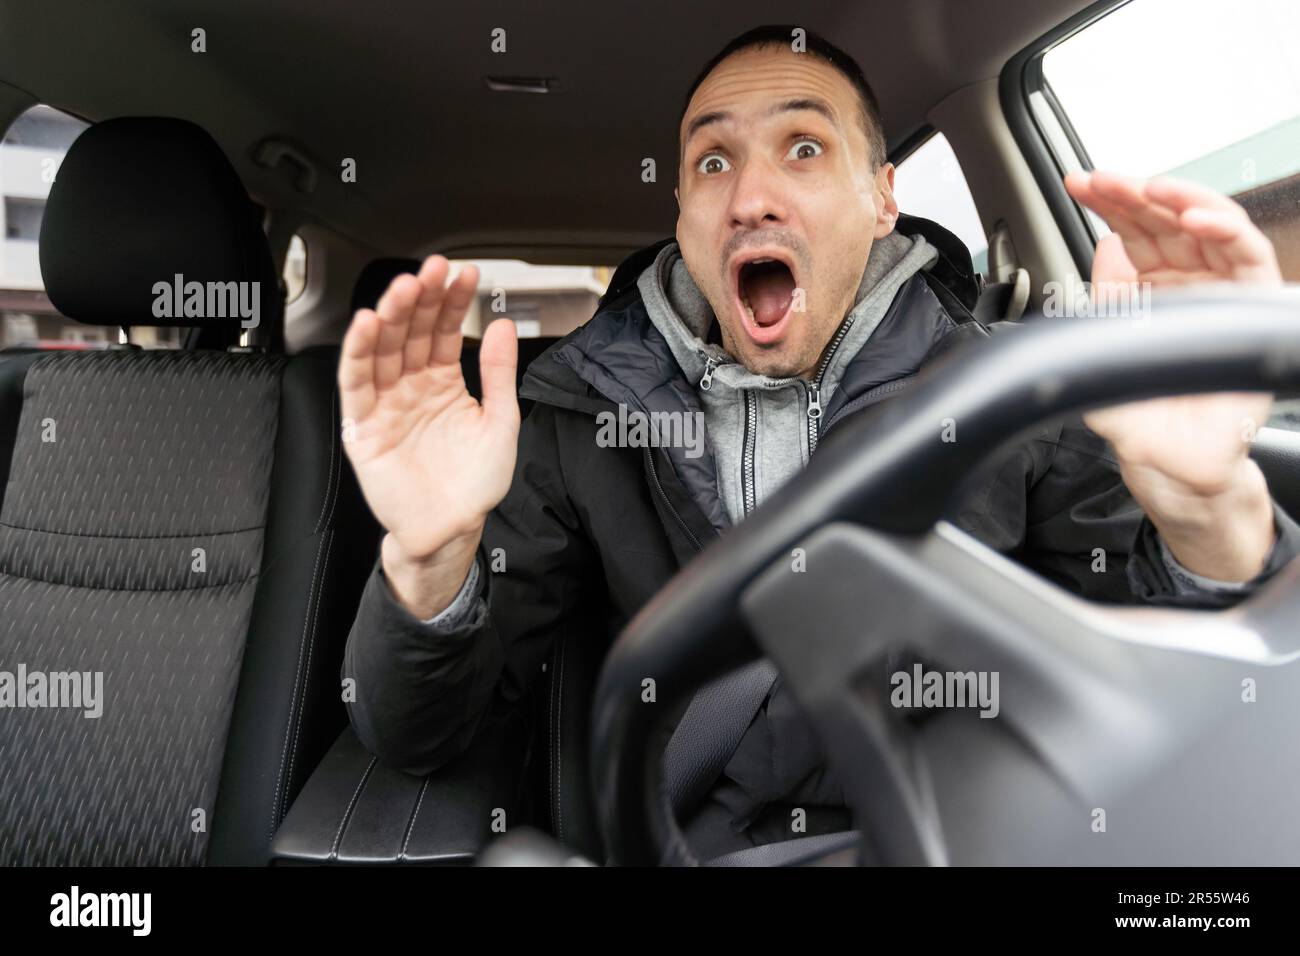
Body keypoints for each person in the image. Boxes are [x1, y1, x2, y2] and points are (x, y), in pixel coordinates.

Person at [336, 25, 1299, 860]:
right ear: (679, 213)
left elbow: (1189, 705)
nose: (750, 195)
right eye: (712, 163)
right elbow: (421, 735)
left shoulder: (1017, 395)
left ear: (883, 197)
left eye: (803, 148)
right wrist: (428, 564)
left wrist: (1208, 507)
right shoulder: (574, 419)